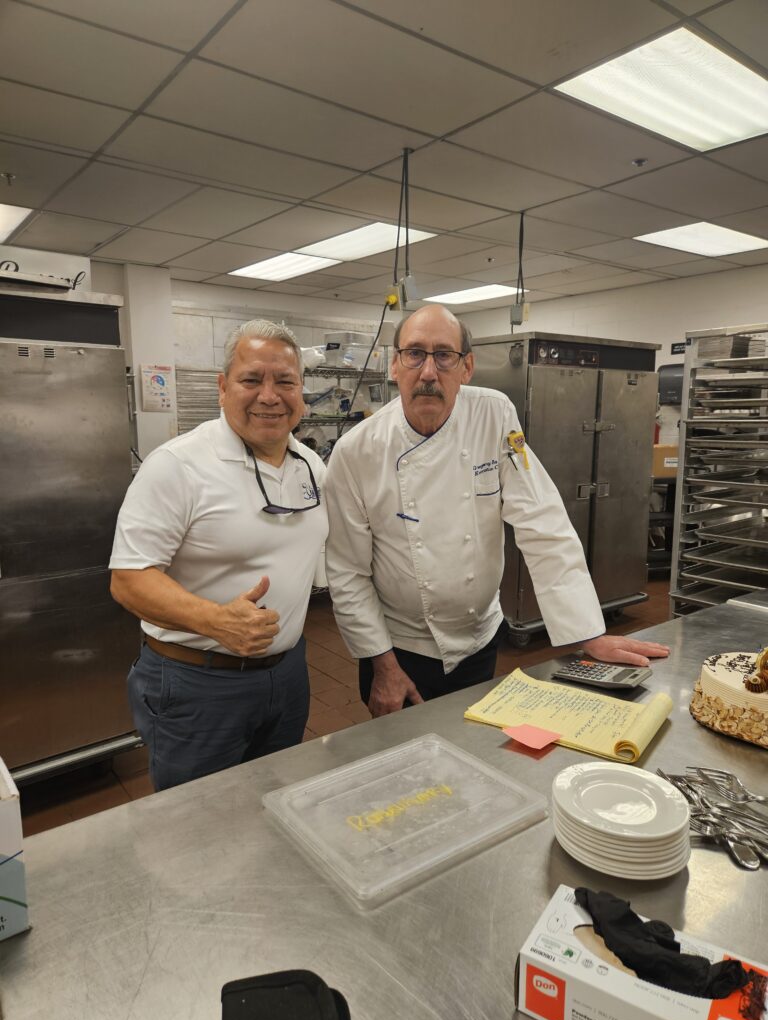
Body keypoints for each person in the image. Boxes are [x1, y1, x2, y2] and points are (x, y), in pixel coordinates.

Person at [324, 304, 668, 717]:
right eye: (415, 353)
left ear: (466, 367)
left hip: (479, 638)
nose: (429, 372)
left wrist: (589, 634)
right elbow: (348, 572)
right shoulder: (355, 451)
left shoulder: (494, 414)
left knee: (469, 750)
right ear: (395, 365)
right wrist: (383, 666)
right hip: (400, 648)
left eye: (444, 355)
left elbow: (542, 523)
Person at [110, 320, 327, 788]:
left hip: (287, 676)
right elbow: (128, 578)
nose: (269, 395)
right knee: (198, 831)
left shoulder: (311, 466)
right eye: (252, 380)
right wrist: (215, 621)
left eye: (285, 381)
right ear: (223, 387)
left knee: (275, 802)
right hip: (197, 684)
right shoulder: (177, 465)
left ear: (301, 391)